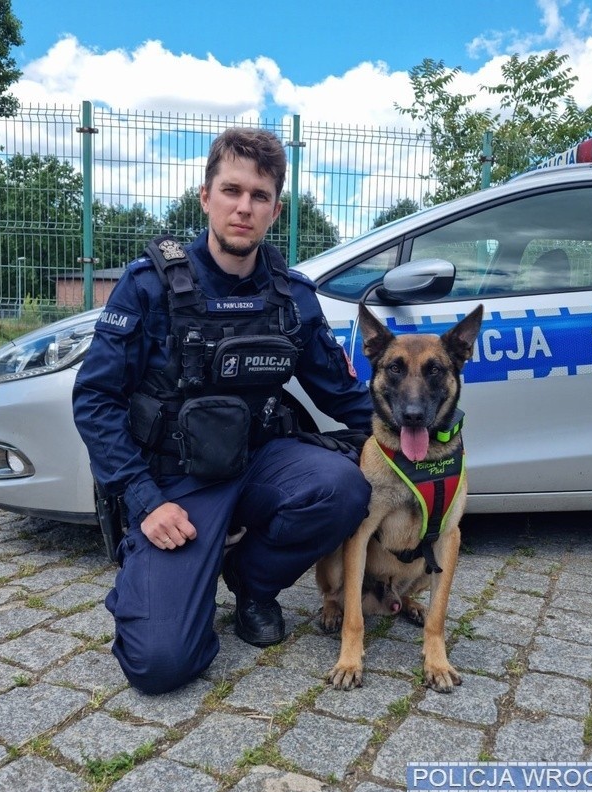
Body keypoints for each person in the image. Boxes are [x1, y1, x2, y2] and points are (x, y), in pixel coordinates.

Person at [72, 127, 373, 695]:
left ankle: (252, 584)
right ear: (205, 196)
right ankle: (169, 580)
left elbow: (343, 395)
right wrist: (144, 501)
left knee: (343, 487)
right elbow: (95, 398)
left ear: (275, 210)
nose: (244, 207)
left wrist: (422, 444)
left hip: (262, 463)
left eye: (259, 196)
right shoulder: (148, 286)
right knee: (160, 664)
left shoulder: (293, 296)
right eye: (231, 190)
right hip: (177, 483)